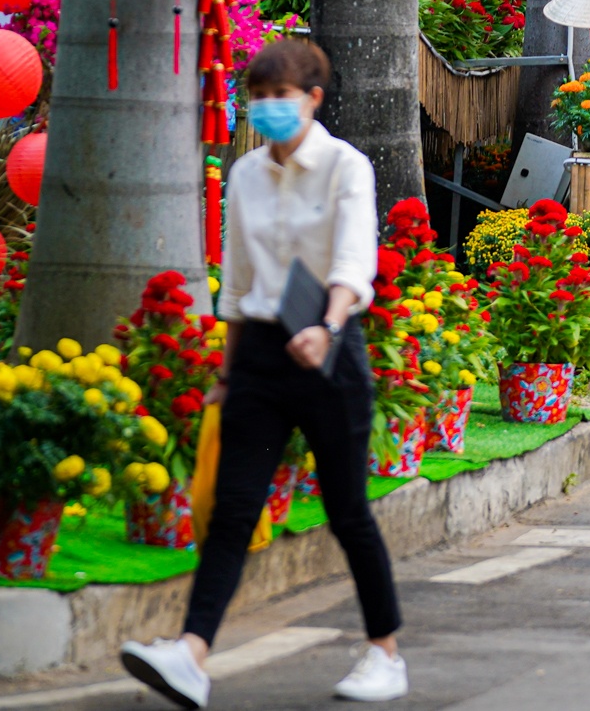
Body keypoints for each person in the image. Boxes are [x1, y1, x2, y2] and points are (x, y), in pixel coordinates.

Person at [121, 40, 407, 708]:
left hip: (329, 351)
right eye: (259, 95)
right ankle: (192, 655)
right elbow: (239, 282)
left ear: (313, 98)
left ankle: (384, 652)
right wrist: (226, 372)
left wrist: (329, 326)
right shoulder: (245, 173)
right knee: (231, 510)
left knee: (347, 511)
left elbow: (352, 259)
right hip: (257, 357)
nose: (269, 107)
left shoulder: (346, 166)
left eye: (283, 95)